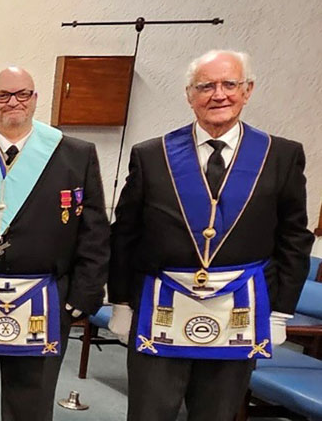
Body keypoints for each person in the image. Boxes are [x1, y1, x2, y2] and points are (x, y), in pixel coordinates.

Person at [109, 50, 312, 421]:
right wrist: (121, 302)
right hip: (160, 308)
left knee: (216, 414)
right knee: (149, 412)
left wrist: (281, 311)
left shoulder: (280, 156)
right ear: (189, 95)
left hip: (238, 311)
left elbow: (294, 239)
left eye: (229, 84)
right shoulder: (152, 155)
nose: (218, 95)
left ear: (247, 90)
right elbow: (125, 234)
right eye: (206, 86)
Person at [0, 66, 108, 421]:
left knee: (31, 406)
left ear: (35, 99)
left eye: (23, 94)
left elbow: (94, 232)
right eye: (3, 96)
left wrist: (82, 296)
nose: (13, 102)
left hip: (45, 301)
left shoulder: (74, 154)